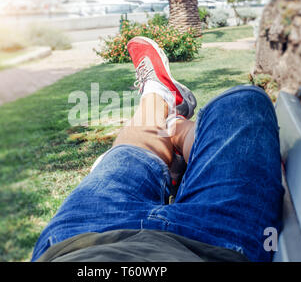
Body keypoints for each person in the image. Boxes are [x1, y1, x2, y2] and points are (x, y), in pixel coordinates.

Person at [31, 37, 285, 262]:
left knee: (127, 154)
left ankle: (159, 96)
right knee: (243, 104)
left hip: (80, 241)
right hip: (215, 243)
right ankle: (176, 125)